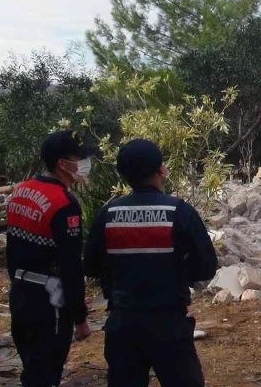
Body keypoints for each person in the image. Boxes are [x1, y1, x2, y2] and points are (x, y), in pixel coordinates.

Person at [84, 139, 218, 387]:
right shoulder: (179, 211)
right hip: (169, 325)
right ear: (161, 171)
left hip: (122, 324)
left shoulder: (108, 213)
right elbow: (207, 266)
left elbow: (90, 265)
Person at [6, 130, 93, 387]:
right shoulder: (63, 204)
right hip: (48, 300)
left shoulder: (20, 192)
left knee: (32, 366)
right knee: (45, 372)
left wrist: (17, 286)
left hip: (21, 292)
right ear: (62, 164)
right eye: (78, 158)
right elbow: (70, 265)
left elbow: (11, 249)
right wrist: (80, 317)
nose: (83, 164)